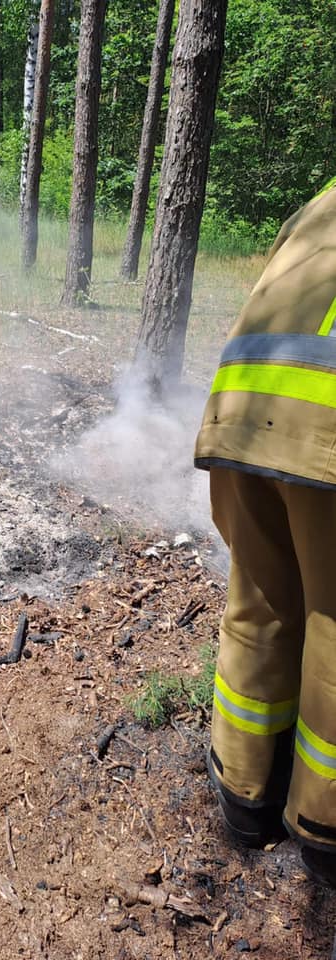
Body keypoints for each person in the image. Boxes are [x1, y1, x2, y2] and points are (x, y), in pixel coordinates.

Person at [194, 177, 336, 887]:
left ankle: (244, 798)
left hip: (245, 408)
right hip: (328, 439)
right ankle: (325, 831)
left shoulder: (323, 198)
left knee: (259, 603)